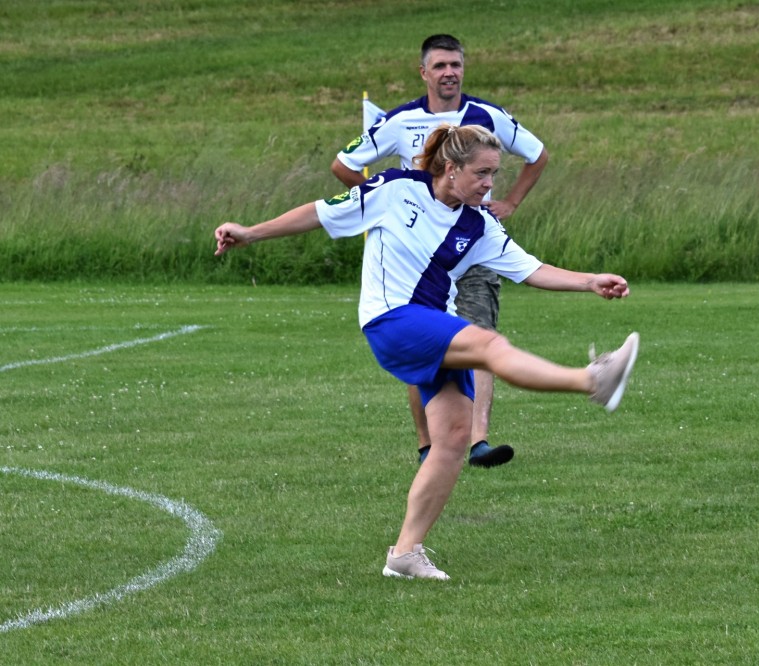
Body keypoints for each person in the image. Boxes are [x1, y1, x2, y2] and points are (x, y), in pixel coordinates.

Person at [216, 124, 639, 580]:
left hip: (434, 325)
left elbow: (531, 269)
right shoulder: (395, 188)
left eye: (494, 174)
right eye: (481, 173)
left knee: (454, 439)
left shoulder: (479, 224)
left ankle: (404, 554)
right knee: (489, 344)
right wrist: (250, 233)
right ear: (451, 168)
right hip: (391, 319)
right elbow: (319, 213)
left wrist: (590, 280)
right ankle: (591, 381)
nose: (489, 184)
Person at [332, 34, 549, 469]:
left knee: (480, 333)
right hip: (421, 257)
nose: (450, 73)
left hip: (474, 245)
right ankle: (427, 444)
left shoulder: (487, 115)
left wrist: (511, 202)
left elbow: (538, 155)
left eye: (456, 65)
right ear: (424, 73)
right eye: (440, 66)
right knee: (425, 340)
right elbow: (343, 164)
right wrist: (384, 205)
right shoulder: (400, 121)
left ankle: (479, 441)